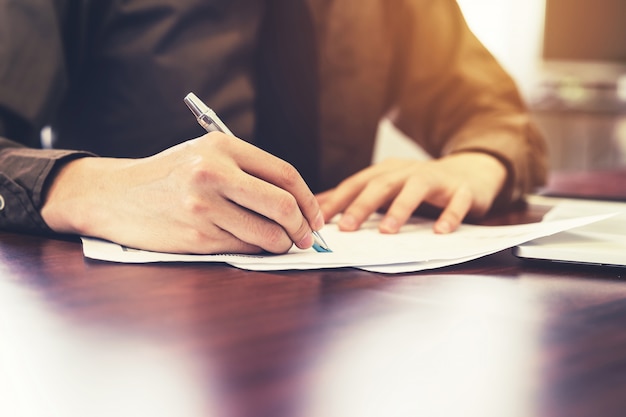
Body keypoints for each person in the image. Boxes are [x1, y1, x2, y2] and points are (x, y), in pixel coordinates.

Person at [0, 0, 547, 255]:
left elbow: (494, 114)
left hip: (339, 310)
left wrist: (477, 162)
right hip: (125, 330)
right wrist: (89, 191)